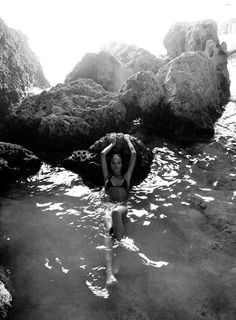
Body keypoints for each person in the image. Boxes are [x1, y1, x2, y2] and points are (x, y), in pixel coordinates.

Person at [100, 133, 136, 285]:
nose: (115, 165)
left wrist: (127, 140)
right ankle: (110, 273)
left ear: (122, 165)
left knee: (115, 213)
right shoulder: (107, 178)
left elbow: (133, 154)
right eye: (113, 163)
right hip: (108, 207)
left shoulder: (126, 178)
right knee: (109, 232)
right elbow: (102, 154)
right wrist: (112, 144)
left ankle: (119, 258)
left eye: (118, 163)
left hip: (121, 208)